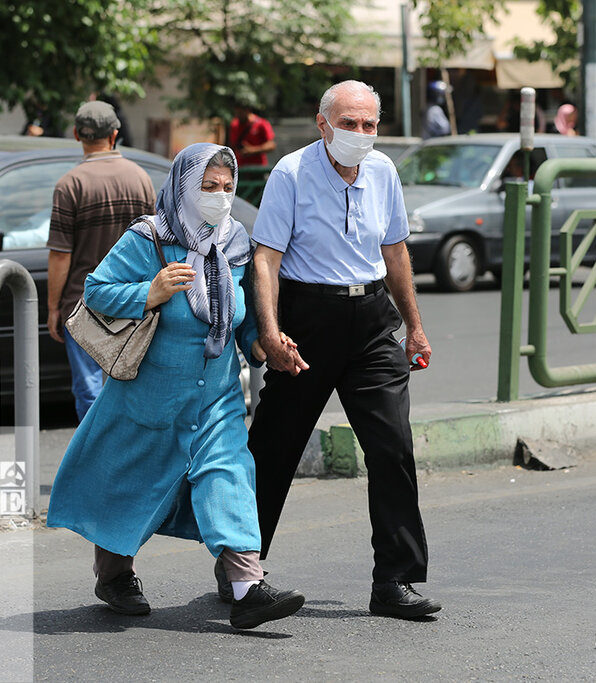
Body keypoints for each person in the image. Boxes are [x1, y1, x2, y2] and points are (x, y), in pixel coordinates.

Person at [47, 143, 306, 631]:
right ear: (184, 186)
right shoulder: (150, 239)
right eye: (208, 188)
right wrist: (151, 290)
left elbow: (243, 321)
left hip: (217, 395)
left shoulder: (235, 243)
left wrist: (265, 347)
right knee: (132, 485)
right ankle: (115, 576)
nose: (220, 198)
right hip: (149, 396)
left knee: (228, 475)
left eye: (228, 188)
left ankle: (248, 587)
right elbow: (97, 291)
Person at [235, 79, 441, 620]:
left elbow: (394, 249)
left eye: (369, 125)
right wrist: (271, 331)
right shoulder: (291, 172)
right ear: (323, 124)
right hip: (308, 318)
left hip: (373, 321)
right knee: (274, 448)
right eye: (349, 123)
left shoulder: (383, 172)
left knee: (393, 446)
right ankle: (242, 573)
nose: (360, 134)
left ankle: (395, 580)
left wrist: (413, 327)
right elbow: (266, 258)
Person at [46, 101, 156, 421]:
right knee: (131, 385)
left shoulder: (70, 185)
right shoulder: (141, 178)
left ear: (77, 134)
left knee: (89, 390)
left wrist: (54, 306)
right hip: (134, 300)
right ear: (115, 135)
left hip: (82, 305)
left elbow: (60, 254)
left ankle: (94, 460)